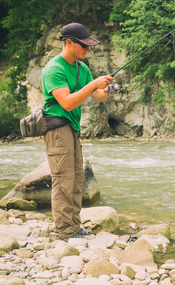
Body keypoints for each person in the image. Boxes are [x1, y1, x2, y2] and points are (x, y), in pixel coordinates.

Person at [42, 22, 113, 240]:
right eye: (84, 45)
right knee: (63, 179)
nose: (87, 49)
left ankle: (74, 226)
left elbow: (96, 95)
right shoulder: (54, 68)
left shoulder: (82, 68)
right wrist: (93, 86)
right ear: (69, 42)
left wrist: (106, 90)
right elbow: (67, 103)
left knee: (76, 179)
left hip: (72, 128)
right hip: (56, 128)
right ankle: (64, 231)